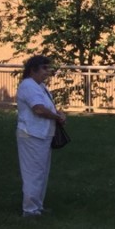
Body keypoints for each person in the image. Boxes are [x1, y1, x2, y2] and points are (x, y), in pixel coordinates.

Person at [16, 55, 66, 217]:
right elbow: (38, 109)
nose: (48, 72)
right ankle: (30, 210)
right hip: (31, 135)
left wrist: (59, 113)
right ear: (33, 70)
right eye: (44, 68)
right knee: (33, 172)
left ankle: (37, 206)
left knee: (42, 171)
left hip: (42, 134)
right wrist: (57, 117)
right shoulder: (28, 86)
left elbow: (47, 107)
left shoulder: (40, 86)